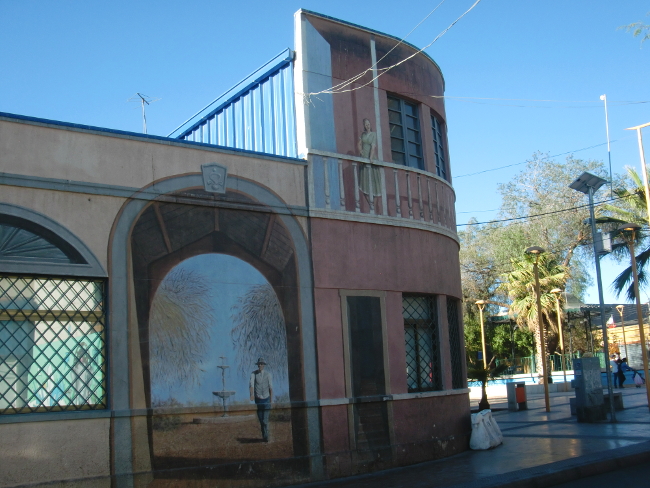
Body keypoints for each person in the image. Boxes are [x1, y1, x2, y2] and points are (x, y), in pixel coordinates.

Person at [358, 118, 382, 201]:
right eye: (366, 124)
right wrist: (360, 150)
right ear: (364, 126)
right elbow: (359, 144)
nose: (367, 126)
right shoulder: (363, 135)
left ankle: (373, 204)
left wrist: (371, 157)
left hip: (370, 159)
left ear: (370, 124)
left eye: (368, 124)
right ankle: (370, 203)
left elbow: (373, 147)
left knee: (374, 183)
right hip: (363, 158)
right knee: (364, 183)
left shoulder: (373, 134)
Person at [250, 357, 273, 442]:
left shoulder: (268, 374)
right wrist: (251, 395)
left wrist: (271, 400)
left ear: (264, 365)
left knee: (265, 420)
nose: (260, 365)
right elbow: (251, 385)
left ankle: (267, 437)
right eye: (259, 364)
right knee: (261, 420)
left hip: (266, 399)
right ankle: (264, 436)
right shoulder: (253, 374)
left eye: (261, 364)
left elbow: (270, 387)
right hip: (258, 399)